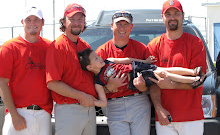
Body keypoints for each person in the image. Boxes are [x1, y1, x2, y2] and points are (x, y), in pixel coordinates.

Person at [147, 0, 207, 135]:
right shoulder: (154, 45)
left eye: (176, 13)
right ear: (163, 17)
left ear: (182, 15)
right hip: (165, 117)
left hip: (191, 117)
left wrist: (171, 85)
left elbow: (198, 80)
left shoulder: (195, 43)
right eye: (168, 14)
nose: (172, 17)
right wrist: (159, 108)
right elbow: (151, 82)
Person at [95, 10, 156, 135]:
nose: (122, 28)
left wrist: (143, 87)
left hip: (139, 102)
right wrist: (108, 87)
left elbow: (153, 79)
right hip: (113, 105)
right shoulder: (102, 51)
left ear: (131, 27)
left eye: (126, 24)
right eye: (118, 24)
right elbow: (93, 83)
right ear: (111, 26)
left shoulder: (141, 49)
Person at [45, 3, 98, 135]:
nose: (76, 23)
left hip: (90, 108)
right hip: (68, 109)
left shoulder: (85, 46)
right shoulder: (57, 46)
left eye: (80, 19)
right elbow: (52, 83)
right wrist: (82, 96)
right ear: (64, 21)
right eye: (72, 19)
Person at [78, 48, 206, 107]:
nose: (99, 57)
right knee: (163, 74)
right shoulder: (98, 83)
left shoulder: (108, 60)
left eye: (97, 55)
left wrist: (144, 61)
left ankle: (193, 72)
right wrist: (92, 101)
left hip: (136, 68)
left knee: (163, 70)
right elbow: (104, 103)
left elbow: (127, 60)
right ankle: (193, 81)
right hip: (135, 80)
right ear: (89, 67)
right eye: (95, 58)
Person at [0, 7, 53, 135]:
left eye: (36, 19)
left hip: (44, 114)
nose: (32, 23)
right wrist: (14, 116)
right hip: (18, 113)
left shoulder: (50, 47)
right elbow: (2, 83)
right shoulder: (9, 47)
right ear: (22, 22)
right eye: (28, 20)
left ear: (43, 22)